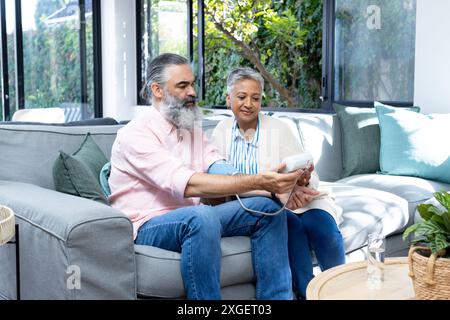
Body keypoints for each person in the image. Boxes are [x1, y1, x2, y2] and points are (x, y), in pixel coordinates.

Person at [108, 53, 308, 300]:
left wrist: (276, 188)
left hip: (194, 218)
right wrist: (259, 181)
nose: (192, 92)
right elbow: (189, 184)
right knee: (201, 216)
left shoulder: (190, 128)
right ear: (157, 90)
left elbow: (218, 166)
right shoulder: (135, 135)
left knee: (266, 209)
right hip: (149, 225)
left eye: (192, 84)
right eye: (182, 86)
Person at [211, 67, 346, 299]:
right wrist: (275, 193)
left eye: (255, 98)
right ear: (228, 99)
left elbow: (308, 173)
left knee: (323, 227)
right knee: (291, 227)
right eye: (241, 97)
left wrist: (303, 178)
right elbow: (220, 181)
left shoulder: (279, 128)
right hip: (264, 206)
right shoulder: (220, 132)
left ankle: (342, 289)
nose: (248, 104)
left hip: (300, 199)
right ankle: (307, 292)